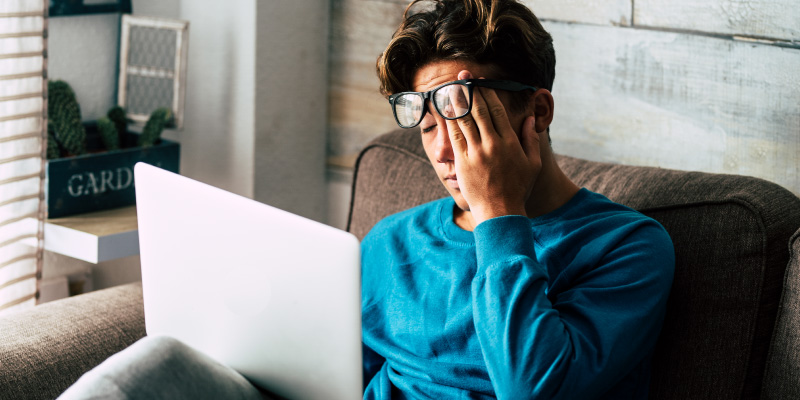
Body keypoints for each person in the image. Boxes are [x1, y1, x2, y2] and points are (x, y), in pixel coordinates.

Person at [59, 0, 674, 399]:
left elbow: (532, 386)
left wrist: (498, 215)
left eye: (461, 114)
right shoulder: (392, 242)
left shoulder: (627, 247)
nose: (442, 150)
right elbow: (326, 376)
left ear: (535, 112)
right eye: (426, 124)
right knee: (154, 367)